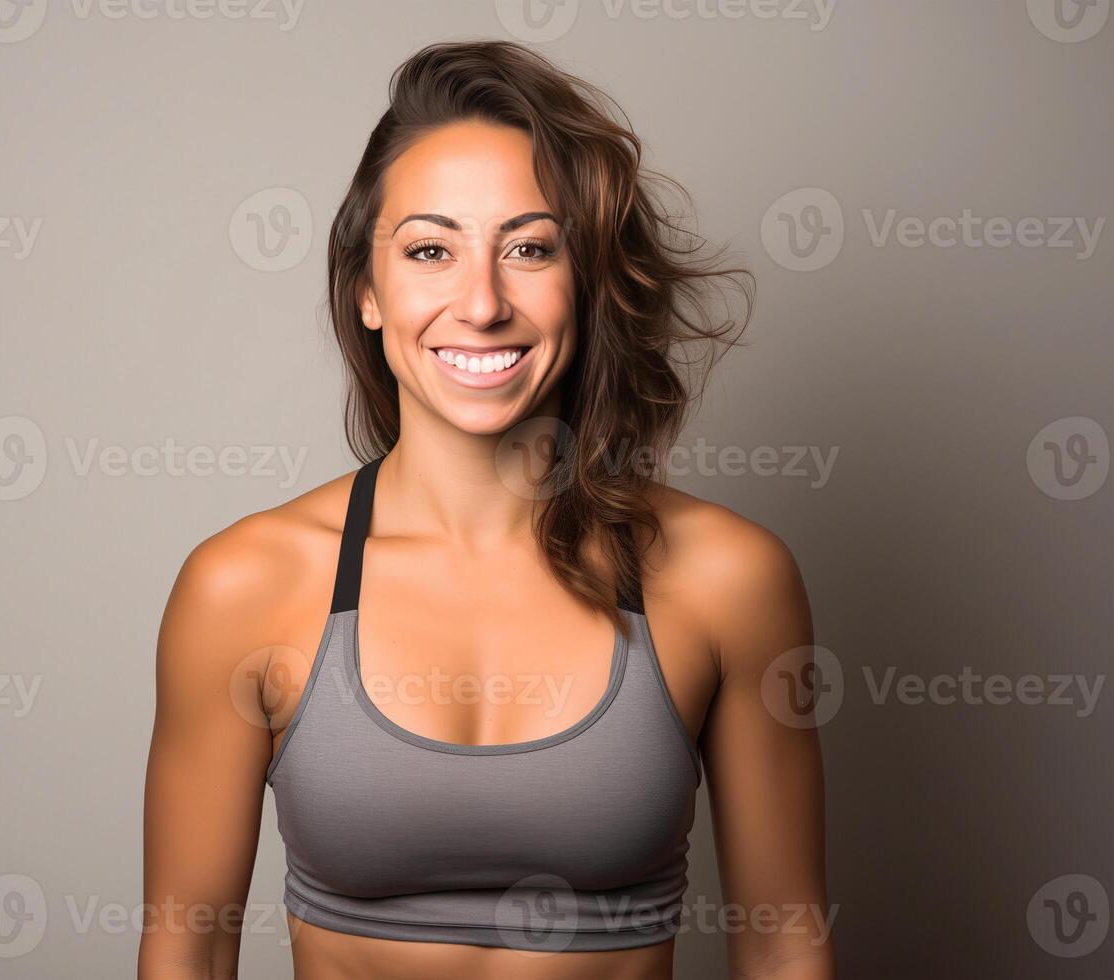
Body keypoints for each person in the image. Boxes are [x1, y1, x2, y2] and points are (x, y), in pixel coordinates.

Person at [140, 39, 831, 980]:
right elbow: (186, 948)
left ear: (585, 285)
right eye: (430, 249)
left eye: (530, 249)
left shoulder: (726, 578)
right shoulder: (245, 585)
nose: (481, 302)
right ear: (368, 293)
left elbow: (785, 942)